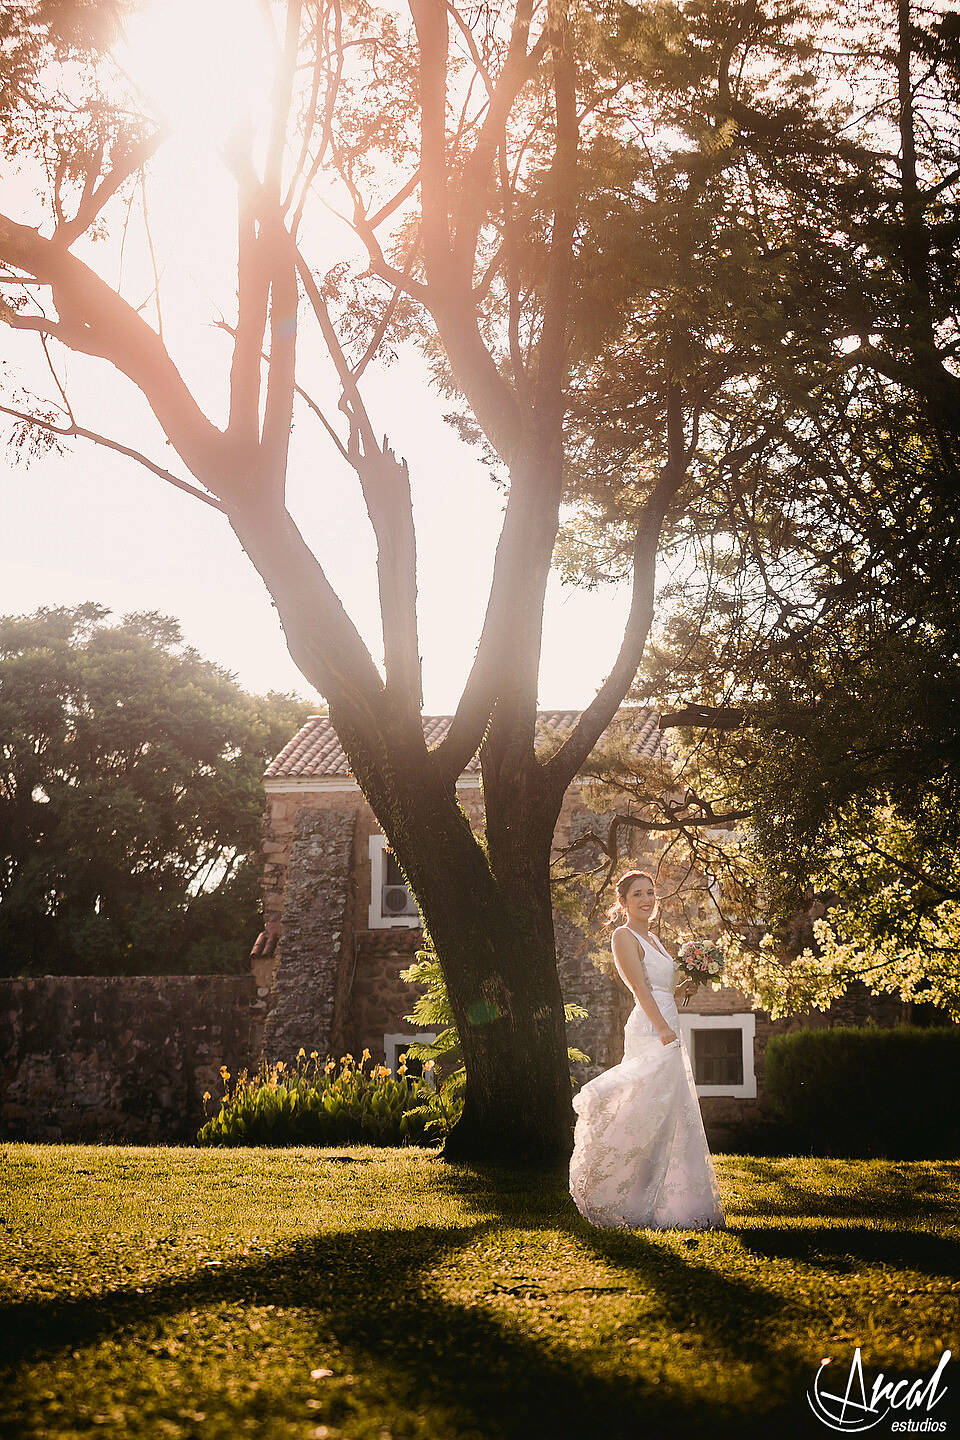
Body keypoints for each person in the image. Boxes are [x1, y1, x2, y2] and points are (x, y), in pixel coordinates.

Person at [568, 869, 727, 1230]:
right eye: (637, 894)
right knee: (646, 1107)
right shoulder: (623, 936)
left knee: (669, 1111)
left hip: (668, 1020)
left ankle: (670, 1204)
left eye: (650, 892)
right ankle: (615, 1190)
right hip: (651, 1028)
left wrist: (682, 988)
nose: (646, 899)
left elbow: (660, 987)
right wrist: (662, 1029)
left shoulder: (653, 938)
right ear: (623, 902)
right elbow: (640, 989)